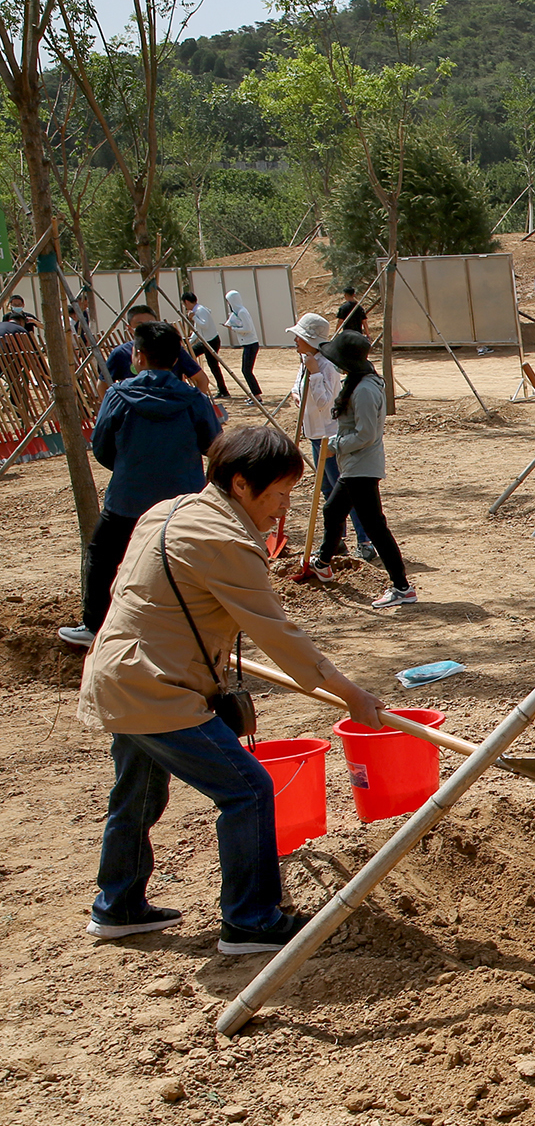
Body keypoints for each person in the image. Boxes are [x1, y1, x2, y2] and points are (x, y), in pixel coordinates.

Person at [79, 423, 386, 954]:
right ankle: (249, 920)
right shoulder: (223, 539)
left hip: (116, 674)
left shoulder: (168, 511)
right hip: (156, 688)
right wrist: (352, 694)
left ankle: (118, 905)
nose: (284, 509)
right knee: (247, 790)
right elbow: (279, 634)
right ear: (241, 484)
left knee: (138, 790)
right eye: (279, 494)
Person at [63, 320, 225, 650]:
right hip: (181, 504)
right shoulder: (194, 400)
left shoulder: (118, 395)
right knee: (185, 563)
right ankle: (189, 630)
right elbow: (213, 445)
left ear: (137, 356)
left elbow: (101, 447)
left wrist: (131, 468)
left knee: (103, 556)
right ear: (177, 359)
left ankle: (95, 626)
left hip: (128, 499)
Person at [313, 331, 415, 609]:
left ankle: (402, 587)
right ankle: (323, 563)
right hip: (354, 466)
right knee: (333, 510)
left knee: (375, 527)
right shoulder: (357, 382)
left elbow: (366, 434)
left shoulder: (366, 390)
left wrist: (335, 445)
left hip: (362, 467)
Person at [285, 312, 356, 557]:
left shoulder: (326, 366)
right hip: (314, 434)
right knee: (326, 488)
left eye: (299, 336)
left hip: (328, 435)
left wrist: (314, 373)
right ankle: (337, 539)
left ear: (311, 340)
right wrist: (297, 393)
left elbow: (325, 402)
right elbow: (298, 385)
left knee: (341, 489)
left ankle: (365, 541)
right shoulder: (307, 361)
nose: (295, 340)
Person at [105, 304, 211, 394]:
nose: (147, 330)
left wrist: (192, 405)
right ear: (129, 328)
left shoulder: (173, 349)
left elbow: (202, 379)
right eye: (140, 325)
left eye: (150, 324)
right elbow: (102, 384)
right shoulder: (120, 353)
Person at [182, 291, 231, 395]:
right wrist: (189, 342)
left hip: (211, 341)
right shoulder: (197, 311)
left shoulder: (200, 310)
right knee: (190, 353)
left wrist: (193, 317)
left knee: (213, 366)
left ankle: (223, 390)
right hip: (204, 341)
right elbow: (197, 329)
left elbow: (205, 325)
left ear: (186, 302)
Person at [223, 289, 261, 403]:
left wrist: (234, 328)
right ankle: (254, 394)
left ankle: (257, 396)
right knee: (246, 370)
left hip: (251, 344)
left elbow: (248, 328)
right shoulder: (238, 312)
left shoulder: (242, 312)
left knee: (246, 370)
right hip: (247, 344)